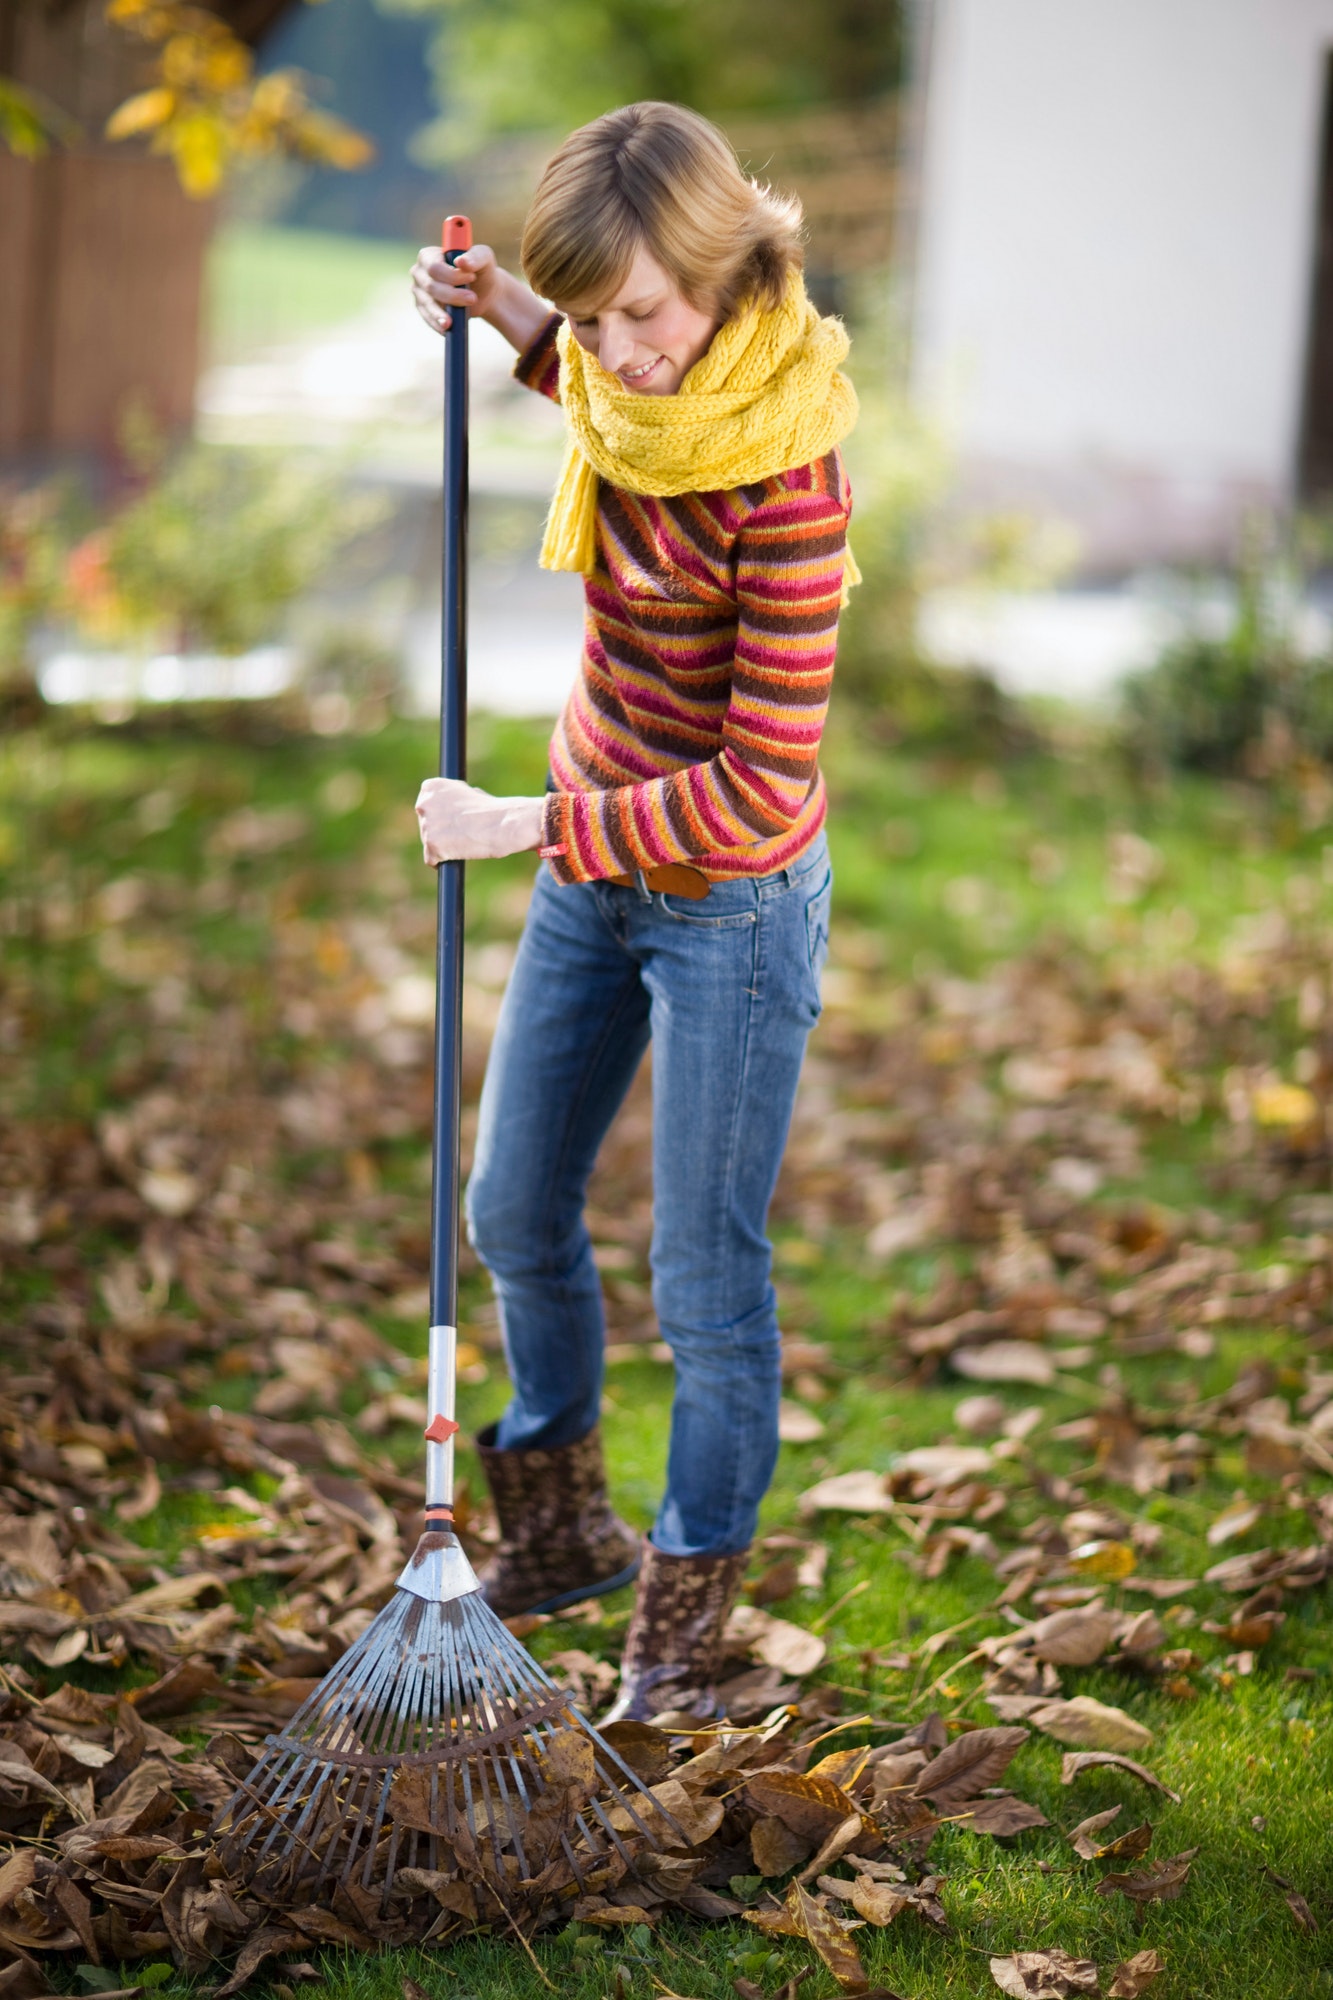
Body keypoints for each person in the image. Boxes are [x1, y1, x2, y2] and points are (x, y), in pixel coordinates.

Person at [408, 100, 857, 1722]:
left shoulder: (790, 488)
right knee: (513, 1213)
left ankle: (682, 1644)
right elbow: (593, 379)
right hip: (599, 875)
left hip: (727, 904)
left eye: (642, 313)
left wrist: (523, 824)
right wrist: (511, 314)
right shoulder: (626, 373)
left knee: (705, 1282)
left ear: (726, 268)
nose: (619, 352)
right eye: (593, 317)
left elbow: (751, 789)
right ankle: (562, 1528)